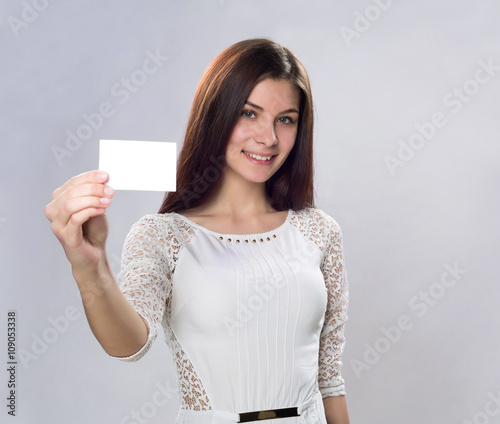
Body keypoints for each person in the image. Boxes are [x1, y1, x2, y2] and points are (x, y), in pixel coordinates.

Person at [44, 38, 350, 424]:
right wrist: (90, 269)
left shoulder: (319, 232)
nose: (268, 138)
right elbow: (129, 345)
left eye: (285, 119)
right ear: (216, 116)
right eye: (249, 113)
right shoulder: (162, 235)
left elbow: (329, 381)